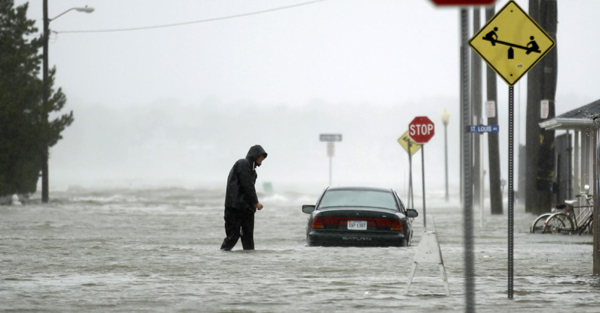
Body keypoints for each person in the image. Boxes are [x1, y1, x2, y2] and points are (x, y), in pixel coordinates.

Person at [220, 145, 268, 251]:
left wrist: (252, 205)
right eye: (261, 157)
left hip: (246, 208)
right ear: (255, 155)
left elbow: (248, 187)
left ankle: (249, 264)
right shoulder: (243, 164)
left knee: (248, 239)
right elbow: (247, 185)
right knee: (233, 236)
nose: (262, 159)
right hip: (234, 207)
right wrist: (256, 202)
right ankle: (222, 260)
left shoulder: (253, 172)